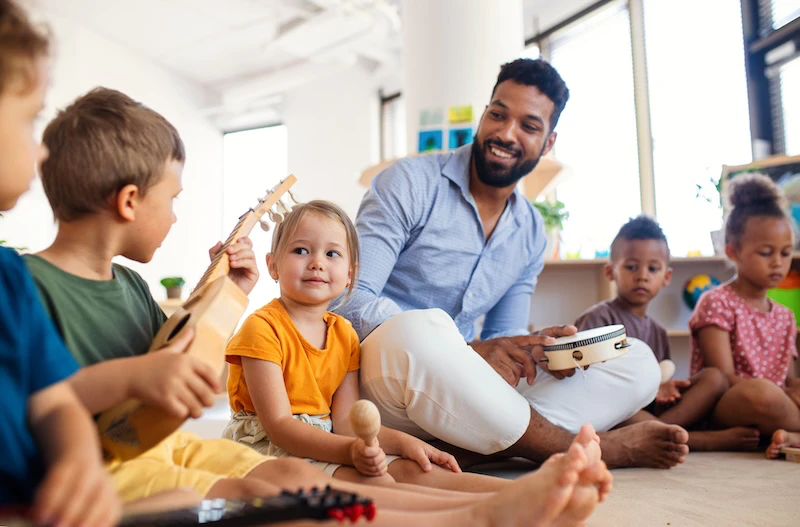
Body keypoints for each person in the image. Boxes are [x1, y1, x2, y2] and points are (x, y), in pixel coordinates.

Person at [25, 86, 614, 527]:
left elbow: (177, 370)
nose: (177, 215)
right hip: (97, 467)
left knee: (290, 477)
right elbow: (36, 403)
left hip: (165, 444)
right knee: (267, 494)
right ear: (129, 201)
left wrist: (224, 291)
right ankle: (471, 520)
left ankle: (504, 498)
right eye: (173, 199)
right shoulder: (26, 286)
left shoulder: (131, 289)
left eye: (333, 255)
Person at [335, 57, 688, 469]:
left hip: (464, 396)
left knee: (638, 360)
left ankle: (471, 447)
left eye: (528, 126)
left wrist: (539, 354)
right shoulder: (409, 183)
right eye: (498, 115)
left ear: (549, 142)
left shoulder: (530, 231)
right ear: (484, 114)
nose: (506, 133)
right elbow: (350, 301)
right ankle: (587, 449)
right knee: (418, 329)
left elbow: (505, 335)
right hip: (385, 380)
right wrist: (464, 351)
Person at [225, 200, 509, 493]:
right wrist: (350, 452)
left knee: (413, 468)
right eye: (300, 250)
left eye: (332, 253)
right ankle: (471, 513)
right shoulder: (261, 328)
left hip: (325, 439)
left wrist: (407, 443)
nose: (317, 262)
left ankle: (515, 495)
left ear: (350, 274)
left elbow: (347, 422)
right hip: (267, 451)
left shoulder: (344, 335)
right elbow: (280, 428)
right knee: (376, 482)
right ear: (272, 265)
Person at [0, 1, 121, 524]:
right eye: (30, 119)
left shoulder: (8, 279)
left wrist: (77, 461)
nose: (41, 150)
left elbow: (55, 403)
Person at [575, 216, 760, 456]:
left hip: (651, 409)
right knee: (618, 410)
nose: (642, 275)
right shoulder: (598, 319)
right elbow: (587, 384)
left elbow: (662, 375)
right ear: (611, 271)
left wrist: (665, 387)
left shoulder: (659, 332)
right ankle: (695, 440)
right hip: (616, 408)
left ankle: (662, 432)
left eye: (653, 268)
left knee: (714, 379)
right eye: (631, 267)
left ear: (666, 277)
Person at [689, 174, 800, 459]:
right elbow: (722, 377)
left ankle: (791, 435)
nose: (778, 262)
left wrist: (793, 391)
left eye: (786, 253)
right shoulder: (716, 302)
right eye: (766, 252)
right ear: (733, 252)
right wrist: (782, 395)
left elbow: (789, 380)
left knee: (772, 395)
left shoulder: (786, 317)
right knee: (761, 394)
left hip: (778, 404)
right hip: (729, 404)